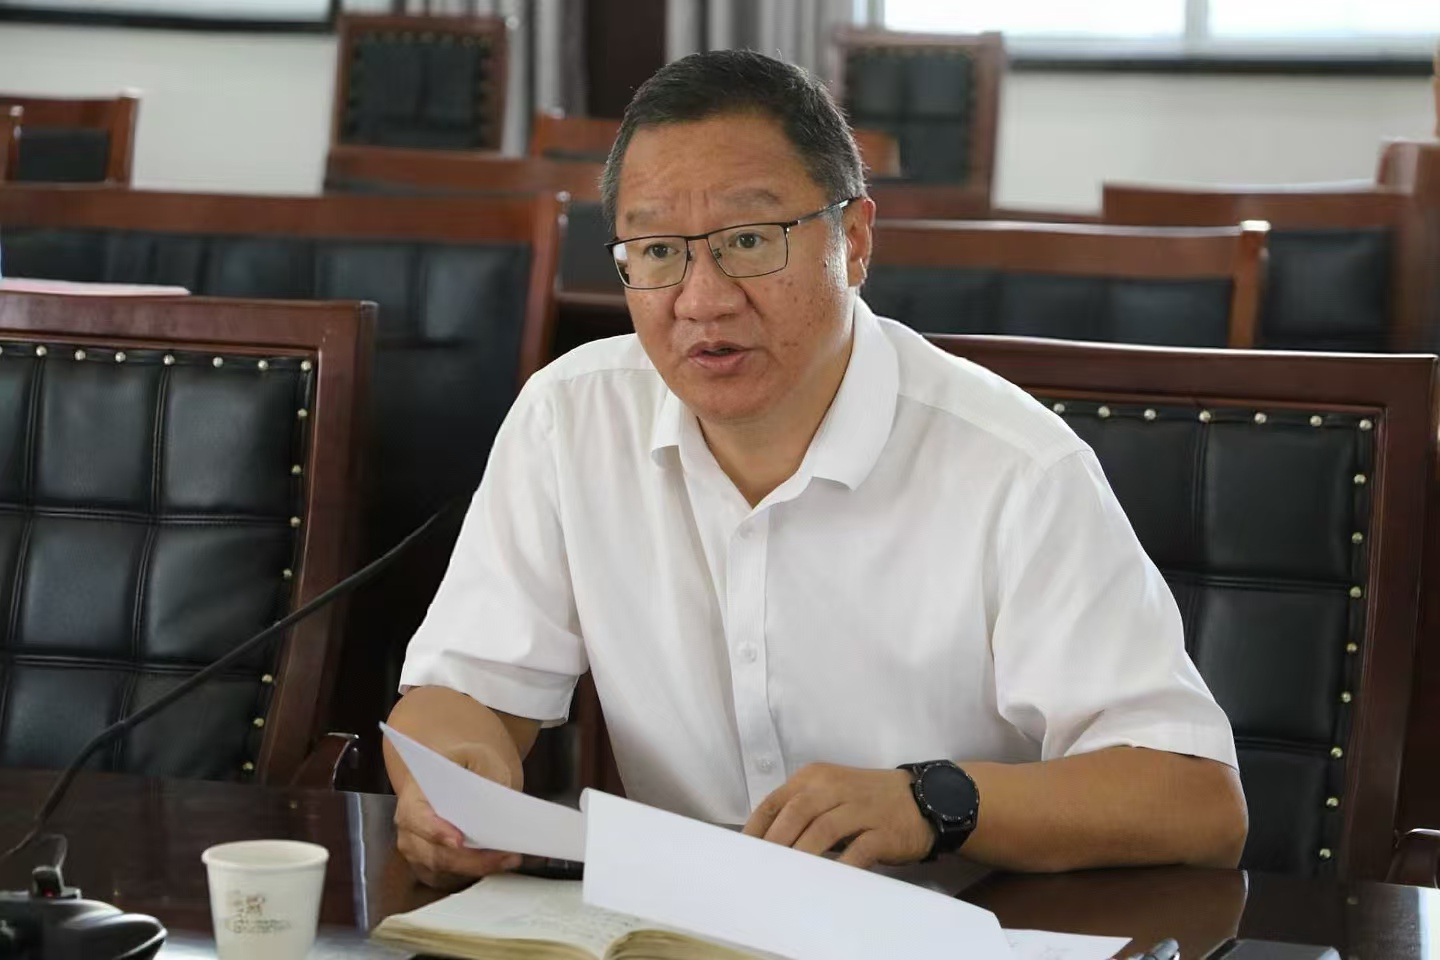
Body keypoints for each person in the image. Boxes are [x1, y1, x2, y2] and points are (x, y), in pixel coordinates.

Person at [384, 49, 1247, 890]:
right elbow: (462, 692)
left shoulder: (1017, 468)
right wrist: (453, 779)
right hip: (674, 927)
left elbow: (1197, 801)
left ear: (854, 240)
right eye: (657, 252)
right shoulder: (569, 418)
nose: (702, 299)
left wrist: (930, 802)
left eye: (749, 240)